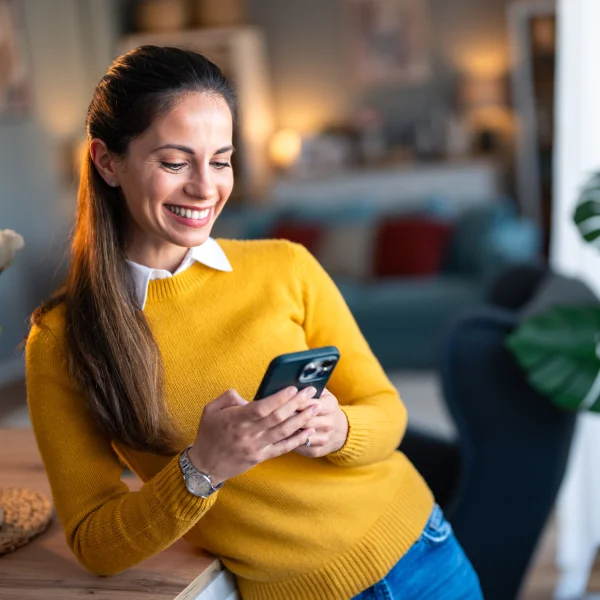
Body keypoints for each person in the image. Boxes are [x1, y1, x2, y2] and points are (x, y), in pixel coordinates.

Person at [26, 46, 483, 600]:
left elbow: (388, 410)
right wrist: (204, 467)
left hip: (422, 552)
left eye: (220, 160)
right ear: (106, 161)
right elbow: (94, 543)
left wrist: (337, 428)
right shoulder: (62, 339)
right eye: (175, 162)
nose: (205, 186)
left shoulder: (285, 264)